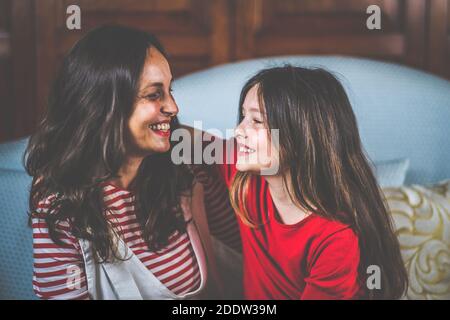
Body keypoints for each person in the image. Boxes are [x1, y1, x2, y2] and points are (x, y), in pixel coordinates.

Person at [25, 25, 225, 300]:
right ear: (105, 104)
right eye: (154, 94)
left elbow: (244, 255)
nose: (173, 107)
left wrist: (190, 139)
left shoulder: (188, 168)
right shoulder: (60, 204)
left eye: (170, 90)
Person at [193, 65, 408, 299]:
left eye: (256, 120)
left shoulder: (335, 238)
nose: (238, 130)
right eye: (243, 117)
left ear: (300, 137)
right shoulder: (247, 178)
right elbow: (180, 140)